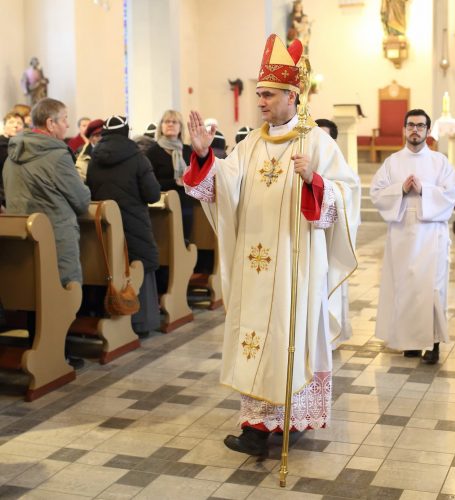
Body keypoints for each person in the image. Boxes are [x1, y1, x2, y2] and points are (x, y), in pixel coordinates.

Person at [184, 33, 360, 456]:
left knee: (288, 334)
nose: (260, 101)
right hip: (254, 266)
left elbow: (347, 196)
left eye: (268, 94)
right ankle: (257, 425)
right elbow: (222, 189)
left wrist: (314, 181)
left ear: (291, 95)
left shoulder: (317, 142)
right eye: (259, 93)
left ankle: (288, 419)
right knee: (256, 336)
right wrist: (206, 157)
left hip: (296, 266)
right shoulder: (251, 144)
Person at [3, 98, 91, 368]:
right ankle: (56, 355)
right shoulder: (57, 156)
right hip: (55, 236)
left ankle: (37, 348)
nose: (67, 125)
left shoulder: (13, 153)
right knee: (59, 294)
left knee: (34, 295)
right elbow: (81, 200)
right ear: (51, 123)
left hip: (21, 236)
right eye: (64, 119)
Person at [370, 109, 455, 364]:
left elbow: (451, 194)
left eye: (420, 126)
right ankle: (409, 342)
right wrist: (400, 188)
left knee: (431, 288)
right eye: (411, 125)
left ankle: (432, 344)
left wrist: (424, 190)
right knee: (405, 287)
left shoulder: (440, 161)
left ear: (428, 131)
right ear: (404, 129)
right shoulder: (393, 162)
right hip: (402, 233)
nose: (415, 130)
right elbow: (376, 193)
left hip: (431, 234)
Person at [87, 116, 161, 337]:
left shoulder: (94, 158)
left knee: (110, 267)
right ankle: (141, 322)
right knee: (141, 265)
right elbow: (153, 194)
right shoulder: (138, 158)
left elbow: (89, 190)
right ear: (126, 132)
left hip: (105, 225)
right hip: (134, 224)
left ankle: (109, 316)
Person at [146, 110, 193, 239]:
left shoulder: (188, 151)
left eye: (174, 122)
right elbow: (149, 183)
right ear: (161, 126)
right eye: (167, 121)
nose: (170, 124)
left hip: (185, 204)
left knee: (184, 241)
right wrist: (175, 182)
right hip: (162, 206)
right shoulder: (152, 152)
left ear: (180, 127)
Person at [0, 112, 24, 208]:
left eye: (19, 123)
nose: (15, 125)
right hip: (3, 196)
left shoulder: (27, 146)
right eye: (11, 122)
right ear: (4, 126)